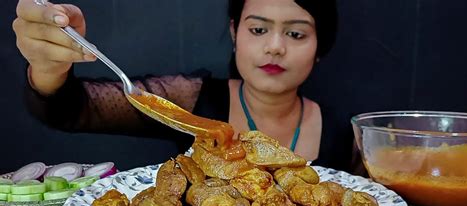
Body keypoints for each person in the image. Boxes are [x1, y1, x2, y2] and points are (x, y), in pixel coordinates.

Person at [13, 0, 345, 168]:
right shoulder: (189, 99)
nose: (275, 46)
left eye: (296, 34)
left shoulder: (345, 133)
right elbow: (69, 110)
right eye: (258, 30)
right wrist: (49, 67)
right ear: (235, 33)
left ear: (320, 48)